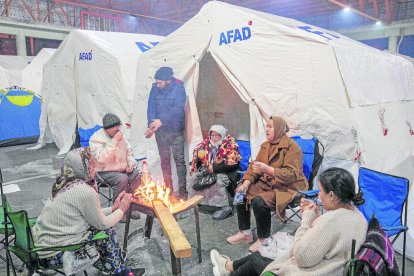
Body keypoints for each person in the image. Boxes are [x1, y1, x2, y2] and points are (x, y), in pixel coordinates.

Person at [210, 167, 368, 276]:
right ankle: (228, 267)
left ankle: (227, 270)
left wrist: (306, 219)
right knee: (262, 255)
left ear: (332, 195)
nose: (319, 196)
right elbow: (331, 239)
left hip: (317, 271)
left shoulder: (331, 221)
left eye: (320, 191)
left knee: (257, 259)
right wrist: (317, 218)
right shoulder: (360, 218)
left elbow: (302, 257)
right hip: (333, 268)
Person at [32, 148, 145, 276]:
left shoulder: (64, 182)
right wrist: (122, 209)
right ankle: (119, 271)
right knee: (106, 231)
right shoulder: (84, 190)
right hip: (57, 253)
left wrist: (113, 208)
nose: (94, 167)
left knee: (101, 231)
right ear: (80, 167)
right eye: (90, 164)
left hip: (41, 248)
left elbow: (88, 213)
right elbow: (102, 223)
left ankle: (113, 268)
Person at [226, 116, 308, 253]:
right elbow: (255, 166)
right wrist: (246, 183)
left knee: (259, 202)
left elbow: (293, 174)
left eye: (270, 126)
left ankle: (264, 239)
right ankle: (245, 232)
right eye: (266, 126)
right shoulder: (266, 145)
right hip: (267, 183)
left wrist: (268, 170)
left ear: (279, 128)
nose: (267, 129)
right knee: (240, 191)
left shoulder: (293, 148)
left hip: (286, 187)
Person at [145, 66, 187, 198]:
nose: (157, 85)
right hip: (161, 132)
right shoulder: (155, 88)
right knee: (164, 161)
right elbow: (151, 107)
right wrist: (151, 126)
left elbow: (178, 109)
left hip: (176, 130)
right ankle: (168, 189)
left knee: (179, 161)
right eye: (156, 82)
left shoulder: (179, 88)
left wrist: (162, 120)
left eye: (160, 82)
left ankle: (182, 192)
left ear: (168, 81)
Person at [89, 113, 141, 219]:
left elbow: (130, 153)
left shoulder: (121, 136)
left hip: (121, 169)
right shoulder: (96, 139)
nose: (117, 129)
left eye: (118, 126)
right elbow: (101, 160)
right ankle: (118, 211)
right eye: (115, 127)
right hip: (103, 172)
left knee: (136, 174)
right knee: (122, 179)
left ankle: (129, 207)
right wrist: (115, 141)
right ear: (107, 129)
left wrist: (130, 164)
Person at [187, 124, 241, 220]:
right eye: (212, 135)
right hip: (208, 170)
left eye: (217, 135)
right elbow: (199, 163)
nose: (214, 138)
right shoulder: (205, 145)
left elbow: (233, 165)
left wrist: (214, 169)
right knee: (193, 178)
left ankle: (225, 207)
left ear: (222, 135)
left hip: (226, 172)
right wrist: (200, 159)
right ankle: (194, 203)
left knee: (217, 181)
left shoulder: (230, 146)